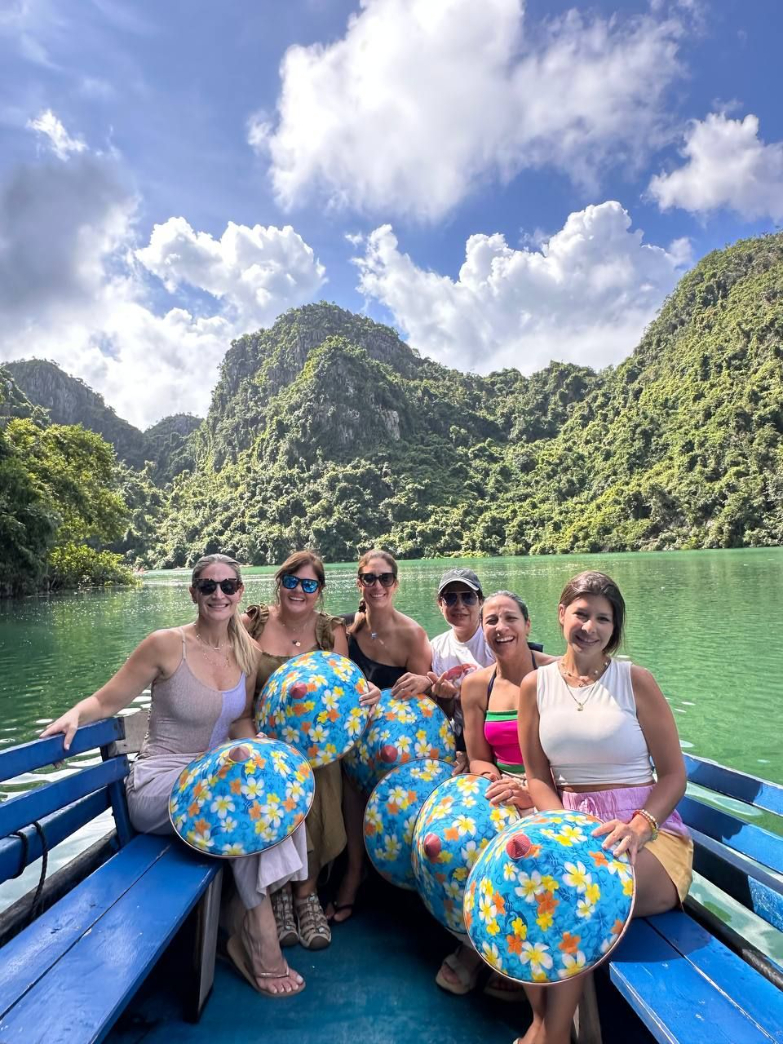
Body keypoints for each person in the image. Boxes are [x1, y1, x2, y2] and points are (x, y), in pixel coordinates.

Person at [41, 554, 307, 997]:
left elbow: (241, 720)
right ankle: (259, 934)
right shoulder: (166, 645)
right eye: (208, 586)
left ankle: (240, 917)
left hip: (213, 782)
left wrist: (258, 751)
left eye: (228, 586)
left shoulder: (247, 651)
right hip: (158, 783)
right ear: (193, 593)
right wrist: (74, 715)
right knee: (240, 803)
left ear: (240, 591)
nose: (218, 595)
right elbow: (107, 701)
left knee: (276, 786)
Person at [517, 571, 693, 1044]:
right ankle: (545, 1023)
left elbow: (673, 775)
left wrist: (639, 827)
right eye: (581, 614)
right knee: (524, 886)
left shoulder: (635, 681)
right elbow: (538, 777)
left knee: (577, 895)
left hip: (648, 837)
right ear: (561, 614)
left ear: (615, 627)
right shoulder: (535, 686)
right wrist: (562, 826)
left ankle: (551, 1035)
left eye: (603, 619)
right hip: (572, 828)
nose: (590, 627)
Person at [242, 550, 376, 952]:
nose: (298, 591)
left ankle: (306, 895)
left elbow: (344, 691)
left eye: (309, 584)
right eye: (291, 581)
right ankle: (281, 894)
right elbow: (238, 695)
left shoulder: (330, 631)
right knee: (272, 781)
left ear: (319, 590)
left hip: (318, 744)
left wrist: (367, 693)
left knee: (322, 776)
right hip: (263, 739)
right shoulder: (253, 623)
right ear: (279, 583)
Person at [436, 591, 556, 1001]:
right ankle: (477, 941)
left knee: (524, 850)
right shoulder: (476, 686)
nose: (501, 628)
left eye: (510, 619)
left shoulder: (556, 673)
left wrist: (531, 793)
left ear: (527, 625)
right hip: (503, 786)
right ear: (482, 630)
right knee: (462, 838)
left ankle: (518, 952)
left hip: (554, 788)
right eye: (491, 621)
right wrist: (495, 784)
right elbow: (479, 758)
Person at [327, 548, 432, 923]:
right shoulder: (344, 629)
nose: (377, 585)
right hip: (352, 739)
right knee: (348, 771)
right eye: (369, 578)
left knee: (384, 762)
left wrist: (424, 681)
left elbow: (422, 708)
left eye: (384, 578)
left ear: (395, 584)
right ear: (359, 583)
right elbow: (336, 681)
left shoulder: (412, 635)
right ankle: (354, 871)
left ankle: (398, 872)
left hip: (394, 743)